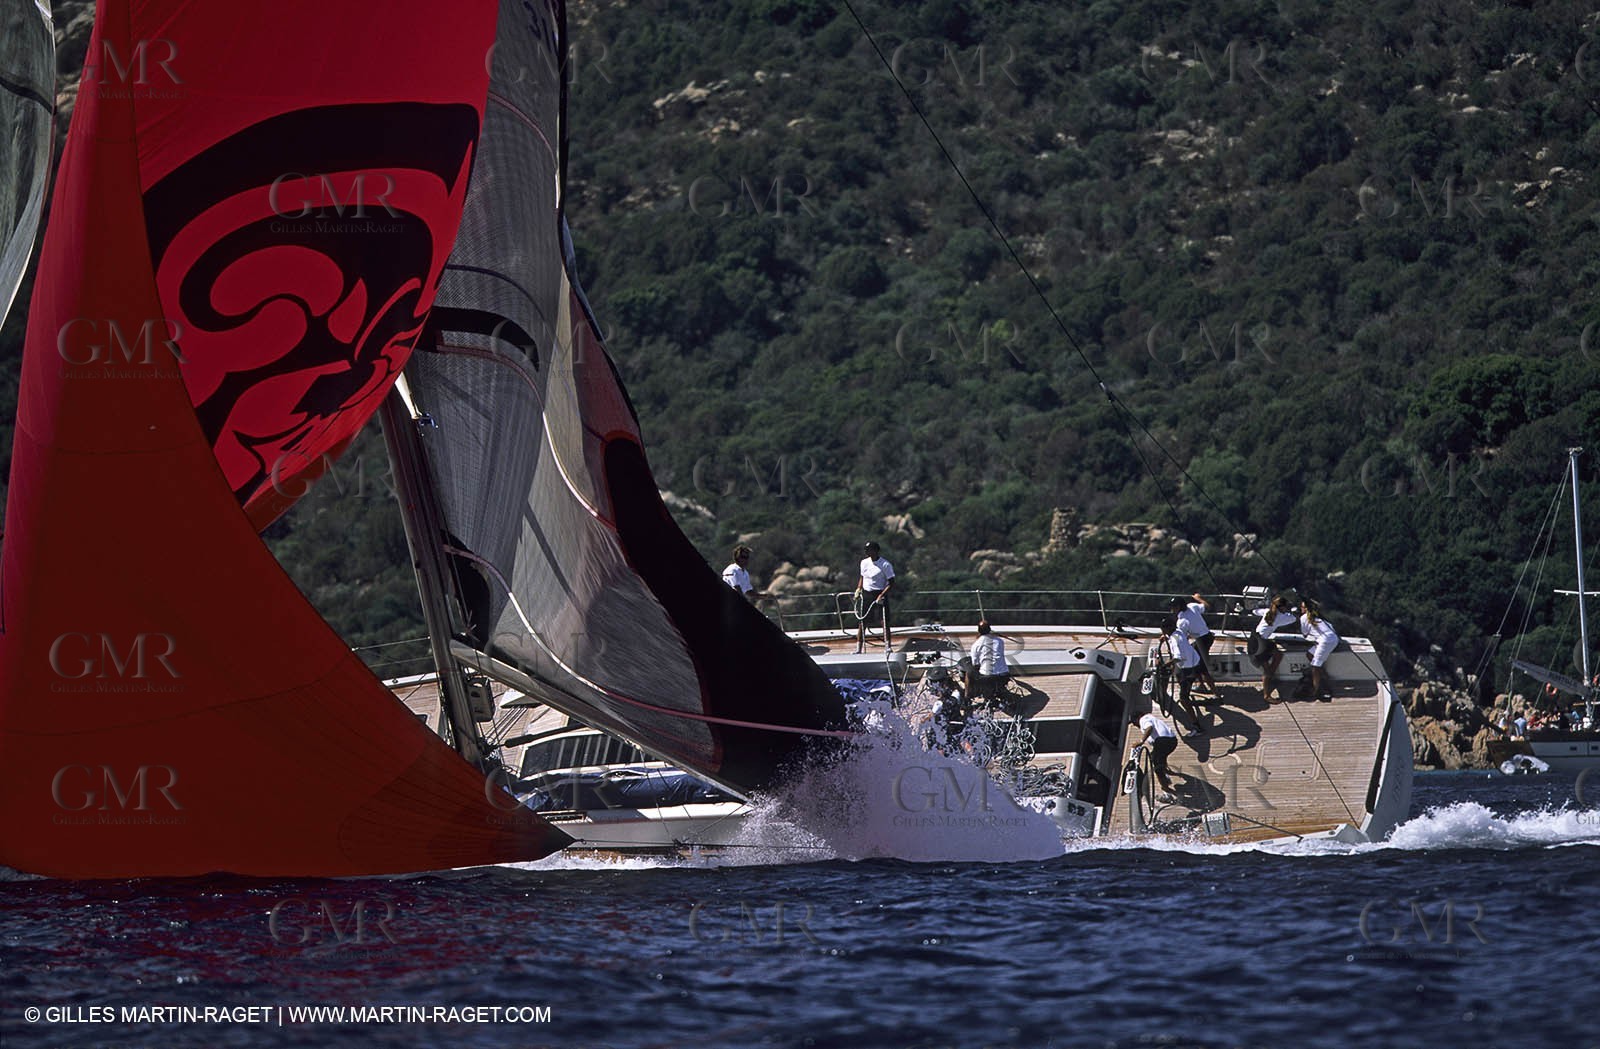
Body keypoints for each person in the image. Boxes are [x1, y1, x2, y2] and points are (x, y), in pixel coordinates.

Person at [1156, 615, 1204, 736]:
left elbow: (1178, 657)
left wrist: (1164, 665)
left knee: (1184, 699)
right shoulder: (1178, 631)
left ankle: (1197, 727)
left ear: (1167, 628)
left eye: (1163, 629)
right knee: (1177, 672)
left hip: (1188, 670)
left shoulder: (1175, 640)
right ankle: (1200, 686)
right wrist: (1166, 638)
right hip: (1196, 661)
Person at [1249, 595, 1298, 704]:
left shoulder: (1267, 611)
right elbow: (1293, 619)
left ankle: (1271, 676)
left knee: (1278, 655)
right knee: (1266, 670)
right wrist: (1291, 611)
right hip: (1261, 644)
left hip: (1254, 639)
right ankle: (1266, 695)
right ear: (1283, 608)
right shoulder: (1281, 617)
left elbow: (1255, 611)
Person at [1171, 593, 1218, 693]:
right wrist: (1198, 598)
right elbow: (1207, 606)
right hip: (1208, 637)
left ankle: (1215, 692)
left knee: (1202, 668)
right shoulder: (1193, 605)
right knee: (1197, 662)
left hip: (1201, 641)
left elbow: (1182, 637)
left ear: (1178, 607)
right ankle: (1203, 685)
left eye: (1173, 607)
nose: (1172, 610)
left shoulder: (1181, 621)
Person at [1131, 708, 1178, 803]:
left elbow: (1149, 727)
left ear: (1138, 717)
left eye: (1134, 722)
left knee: (1157, 767)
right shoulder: (1152, 717)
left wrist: (1141, 741)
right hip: (1172, 740)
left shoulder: (1144, 719)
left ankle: (1167, 793)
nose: (1135, 725)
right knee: (1158, 757)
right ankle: (1165, 774)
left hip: (1162, 741)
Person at [855, 541, 895, 654]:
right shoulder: (864, 563)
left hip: (879, 594)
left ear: (875, 550)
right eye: (866, 550)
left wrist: (882, 595)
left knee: (884, 621)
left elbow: (891, 582)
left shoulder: (885, 565)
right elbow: (862, 577)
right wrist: (858, 589)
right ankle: (858, 648)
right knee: (862, 621)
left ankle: (887, 646)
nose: (867, 552)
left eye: (869, 550)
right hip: (867, 594)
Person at [1299, 599, 1340, 701]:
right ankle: (1323, 675)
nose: (1301, 609)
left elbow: (1304, 634)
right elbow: (1330, 628)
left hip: (1325, 642)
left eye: (1302, 607)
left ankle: (1316, 690)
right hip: (1332, 639)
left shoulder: (1303, 618)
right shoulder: (1319, 618)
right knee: (1309, 654)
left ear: (1305, 609)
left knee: (1315, 666)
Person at [966, 620, 1011, 703]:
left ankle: (967, 696)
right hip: (1004, 675)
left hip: (988, 678)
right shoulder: (1000, 641)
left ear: (978, 631)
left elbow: (975, 664)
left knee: (969, 672)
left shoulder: (976, 645)